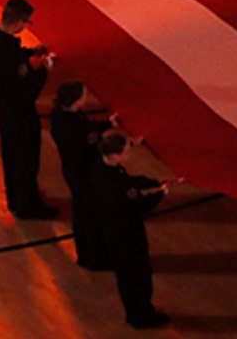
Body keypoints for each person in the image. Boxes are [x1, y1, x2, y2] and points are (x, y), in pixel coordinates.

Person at [0, 0, 58, 219]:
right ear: (19, 22)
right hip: (17, 112)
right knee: (26, 157)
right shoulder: (12, 60)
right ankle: (27, 205)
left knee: (11, 156)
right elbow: (29, 89)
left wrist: (30, 53)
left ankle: (16, 199)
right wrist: (42, 69)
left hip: (1, 108)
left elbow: (9, 53)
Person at [93, 133, 175, 328]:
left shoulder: (101, 168)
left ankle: (136, 310)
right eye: (126, 152)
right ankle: (141, 314)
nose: (129, 155)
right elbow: (139, 204)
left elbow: (131, 181)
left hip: (113, 228)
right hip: (127, 231)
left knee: (126, 274)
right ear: (114, 156)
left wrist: (153, 182)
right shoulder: (117, 184)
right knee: (137, 274)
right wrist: (161, 192)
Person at [51, 81, 117, 271]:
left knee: (82, 213)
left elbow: (88, 131)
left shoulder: (61, 115)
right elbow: (89, 137)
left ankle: (86, 254)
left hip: (73, 171)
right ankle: (96, 257)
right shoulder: (73, 124)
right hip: (83, 173)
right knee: (91, 215)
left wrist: (106, 124)